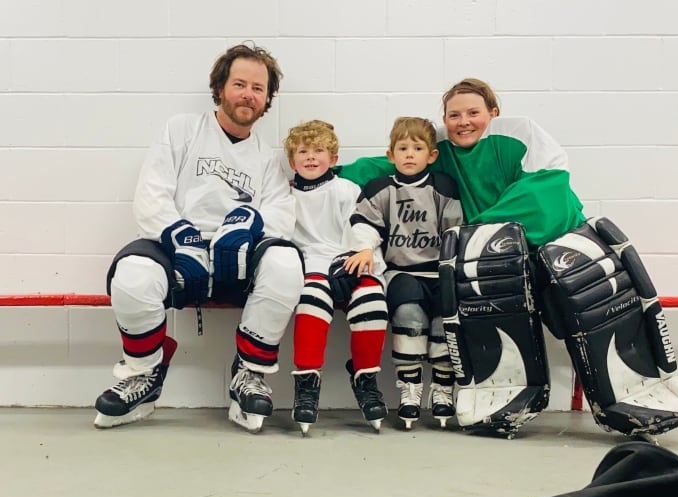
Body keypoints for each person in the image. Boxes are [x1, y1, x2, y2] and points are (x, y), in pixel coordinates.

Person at [336, 78, 678, 438]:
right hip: (498, 254)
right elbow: (384, 166)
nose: (463, 121)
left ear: (493, 112)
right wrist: (325, 173)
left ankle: (631, 391)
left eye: (473, 112)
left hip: (552, 239)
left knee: (587, 303)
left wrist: (481, 229)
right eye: (454, 114)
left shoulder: (518, 134)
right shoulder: (437, 146)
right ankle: (507, 394)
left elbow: (550, 185)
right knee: (497, 301)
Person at [94, 43, 303, 434]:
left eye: (258, 88)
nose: (248, 94)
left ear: (267, 99)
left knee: (287, 264)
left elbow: (281, 214)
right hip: (176, 250)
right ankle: (144, 373)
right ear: (220, 87)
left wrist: (247, 224)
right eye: (240, 83)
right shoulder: (182, 129)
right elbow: (151, 191)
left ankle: (250, 374)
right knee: (132, 275)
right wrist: (180, 236)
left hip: (234, 260)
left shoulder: (266, 157)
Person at [343, 117, 463, 430]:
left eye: (418, 148)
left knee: (442, 323)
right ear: (390, 154)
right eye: (403, 147)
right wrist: (366, 248)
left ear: (432, 155)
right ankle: (409, 390)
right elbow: (363, 224)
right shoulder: (380, 189)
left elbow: (456, 232)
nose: (410, 154)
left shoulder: (443, 187)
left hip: (440, 273)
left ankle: (442, 388)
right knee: (409, 317)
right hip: (402, 272)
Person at [284, 119, 389, 434]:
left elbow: (363, 226)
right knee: (311, 300)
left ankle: (365, 379)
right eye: (303, 151)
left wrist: (358, 254)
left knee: (372, 302)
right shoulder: (285, 195)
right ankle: (306, 383)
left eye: (319, 150)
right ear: (292, 161)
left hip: (349, 260)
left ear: (333, 157)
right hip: (311, 265)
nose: (311, 157)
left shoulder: (346, 189)